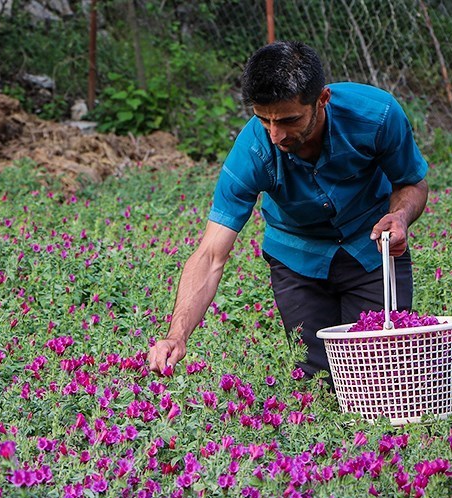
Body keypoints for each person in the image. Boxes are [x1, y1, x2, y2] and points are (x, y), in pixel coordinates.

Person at [147, 40, 429, 384]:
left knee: (385, 373)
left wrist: (399, 217)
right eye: (263, 119)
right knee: (320, 380)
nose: (276, 134)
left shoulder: (377, 116)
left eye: (289, 119)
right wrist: (177, 336)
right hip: (298, 258)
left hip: (372, 249)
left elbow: (411, 182)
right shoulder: (252, 150)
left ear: (322, 98)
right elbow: (210, 255)